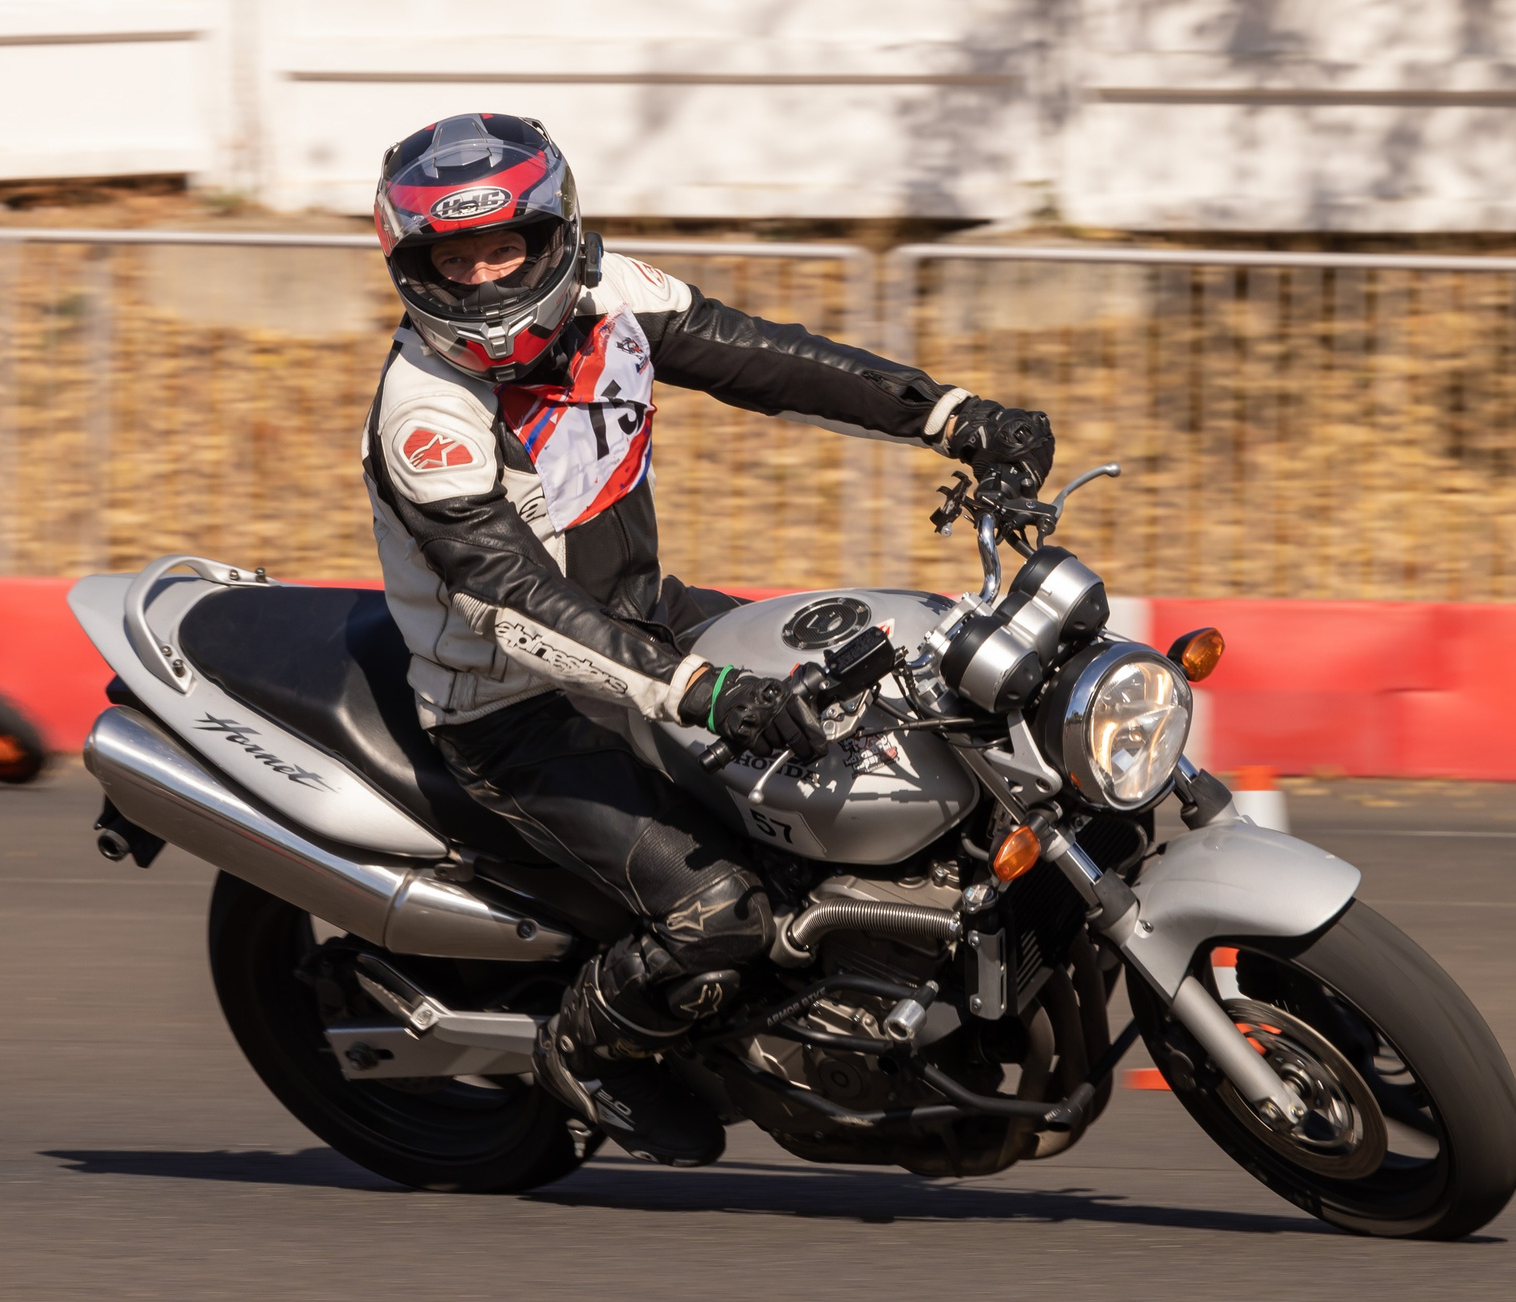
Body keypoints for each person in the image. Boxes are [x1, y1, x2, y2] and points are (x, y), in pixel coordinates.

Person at [362, 113, 1053, 1167]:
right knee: (718, 907)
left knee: (906, 722)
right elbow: (509, 605)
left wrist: (952, 416)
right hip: (507, 701)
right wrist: (701, 690)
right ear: (414, 267)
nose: (487, 276)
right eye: (455, 258)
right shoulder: (430, 414)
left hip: (648, 616)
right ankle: (585, 1051)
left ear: (556, 237)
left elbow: (773, 363)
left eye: (506, 246)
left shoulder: (612, 297)